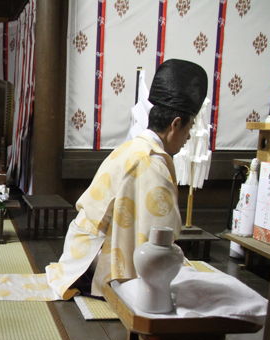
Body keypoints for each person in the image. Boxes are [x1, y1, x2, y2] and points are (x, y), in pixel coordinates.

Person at [48, 59, 208, 300]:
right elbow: (161, 234)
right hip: (96, 262)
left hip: (78, 253)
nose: (188, 137)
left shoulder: (133, 147)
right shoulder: (150, 162)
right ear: (176, 124)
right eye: (189, 129)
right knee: (184, 291)